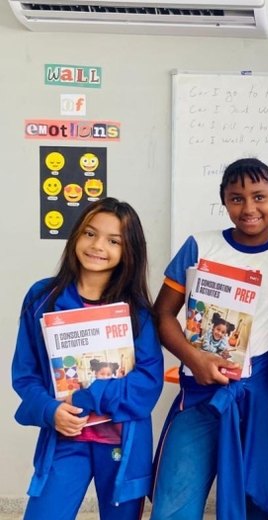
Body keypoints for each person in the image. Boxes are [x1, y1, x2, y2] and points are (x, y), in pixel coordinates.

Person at [150, 158, 268, 520]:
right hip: (201, 392)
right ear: (224, 201)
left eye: (259, 197)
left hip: (263, 398)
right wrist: (194, 358)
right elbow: (163, 314)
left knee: (257, 503)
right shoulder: (200, 247)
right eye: (236, 198)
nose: (249, 209)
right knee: (174, 505)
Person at [12, 197, 164, 520]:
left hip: (122, 445)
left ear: (129, 251)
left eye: (113, 241)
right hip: (66, 438)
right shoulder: (42, 299)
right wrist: (51, 410)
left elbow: (148, 383)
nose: (98, 246)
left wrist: (88, 396)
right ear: (76, 236)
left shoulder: (137, 312)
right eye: (90, 234)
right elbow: (25, 375)